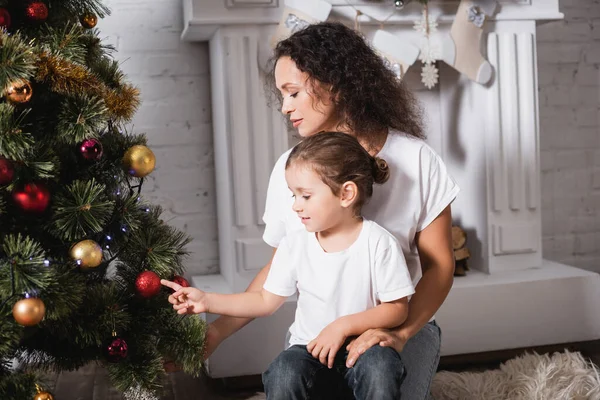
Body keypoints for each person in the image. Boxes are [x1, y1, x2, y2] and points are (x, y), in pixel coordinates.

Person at [207, 21, 458, 399]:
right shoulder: (292, 170)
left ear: (335, 85)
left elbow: (441, 267)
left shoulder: (417, 159)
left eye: (292, 92)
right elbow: (276, 273)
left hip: (403, 327)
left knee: (379, 377)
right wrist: (214, 334)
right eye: (282, 95)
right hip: (321, 339)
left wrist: (399, 334)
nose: (285, 107)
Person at [162, 132, 415, 399]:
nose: (295, 206)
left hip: (362, 350)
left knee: (381, 366)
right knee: (283, 371)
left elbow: (397, 309)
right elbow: (263, 300)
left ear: (346, 194)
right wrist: (207, 301)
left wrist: (342, 326)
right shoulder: (295, 244)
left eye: (305, 196)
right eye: (293, 195)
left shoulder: (378, 243)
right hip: (310, 352)